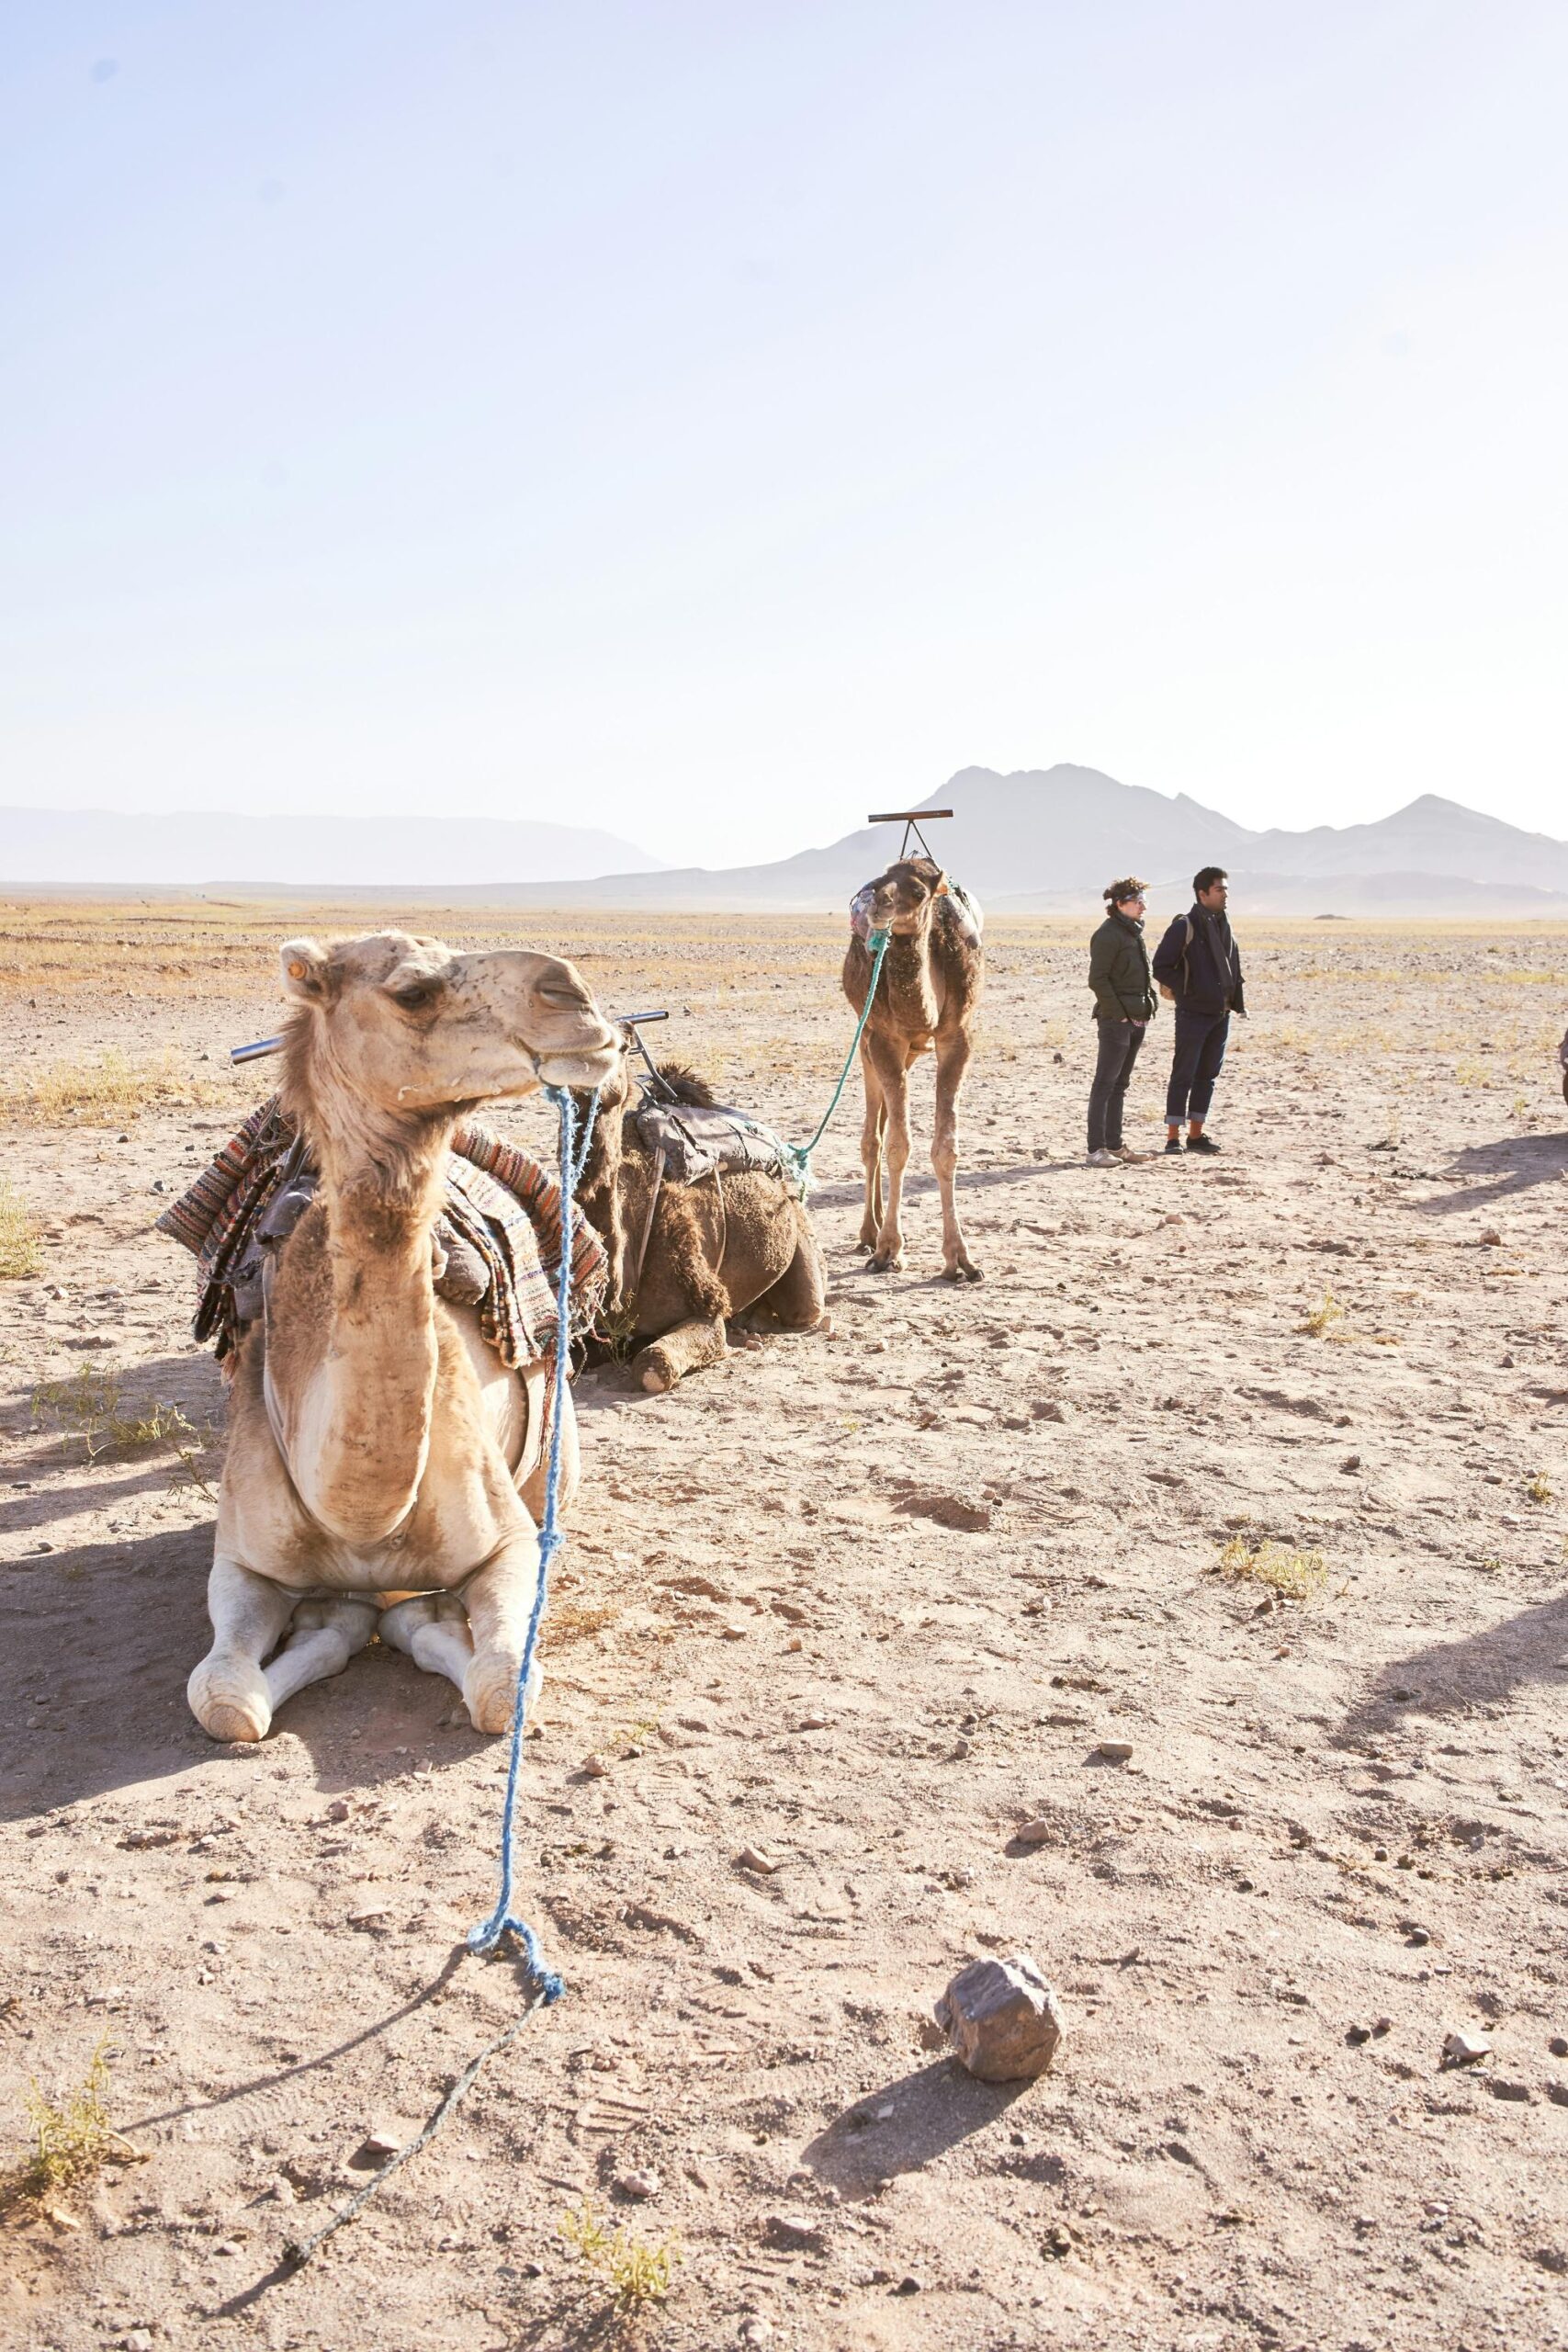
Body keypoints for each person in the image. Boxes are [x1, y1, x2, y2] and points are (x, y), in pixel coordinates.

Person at [1153, 865, 1246, 1156]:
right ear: (1202, 893)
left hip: (1221, 1012)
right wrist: (1190, 988)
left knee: (1207, 1075)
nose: (1225, 894)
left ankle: (1196, 1135)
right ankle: (1172, 1138)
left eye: (1226, 889)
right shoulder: (1185, 926)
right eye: (1220, 889)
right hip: (1193, 1013)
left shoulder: (1224, 924)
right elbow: (1161, 966)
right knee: (1183, 1074)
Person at [1085, 878, 1156, 1166]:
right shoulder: (1108, 934)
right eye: (1137, 900)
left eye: (1143, 900)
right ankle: (1095, 1149)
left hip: (1137, 1018)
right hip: (1116, 1021)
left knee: (1120, 1085)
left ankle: (1115, 1146)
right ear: (1119, 904)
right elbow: (1097, 979)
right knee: (1104, 1083)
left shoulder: (1133, 933)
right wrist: (1120, 1013)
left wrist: (1149, 1003)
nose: (1143, 905)